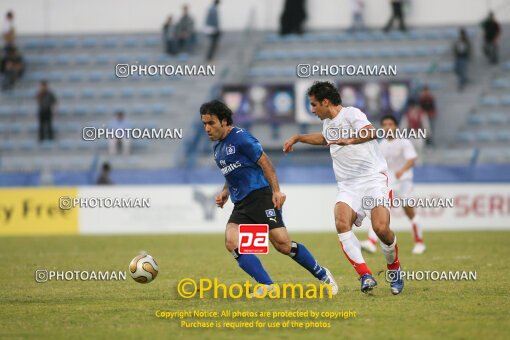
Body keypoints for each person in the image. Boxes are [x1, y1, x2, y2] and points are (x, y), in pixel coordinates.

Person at [200, 99, 338, 296]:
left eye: (211, 123)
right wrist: (225, 191)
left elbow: (265, 163)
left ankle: (323, 274)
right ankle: (267, 285)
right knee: (232, 242)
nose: (207, 128)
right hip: (241, 203)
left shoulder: (241, 138)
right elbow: (232, 173)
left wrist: (276, 191)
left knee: (282, 245)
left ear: (223, 121)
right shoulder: (217, 148)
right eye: (204, 123)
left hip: (261, 195)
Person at [283, 81, 404, 295]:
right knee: (341, 222)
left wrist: (351, 140)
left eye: (313, 104)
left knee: (381, 229)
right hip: (348, 184)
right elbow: (324, 138)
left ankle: (394, 269)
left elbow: (370, 132)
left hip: (373, 179)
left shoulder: (351, 114)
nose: (312, 109)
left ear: (325, 102)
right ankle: (365, 275)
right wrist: (299, 137)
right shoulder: (328, 123)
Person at [360, 115, 426, 255]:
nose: (387, 127)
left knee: (409, 212)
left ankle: (419, 242)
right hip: (388, 183)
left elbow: (412, 159)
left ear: (396, 126)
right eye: (385, 124)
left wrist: (402, 171)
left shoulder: (403, 142)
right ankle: (371, 242)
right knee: (379, 210)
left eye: (390, 124)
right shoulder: (382, 144)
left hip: (403, 182)